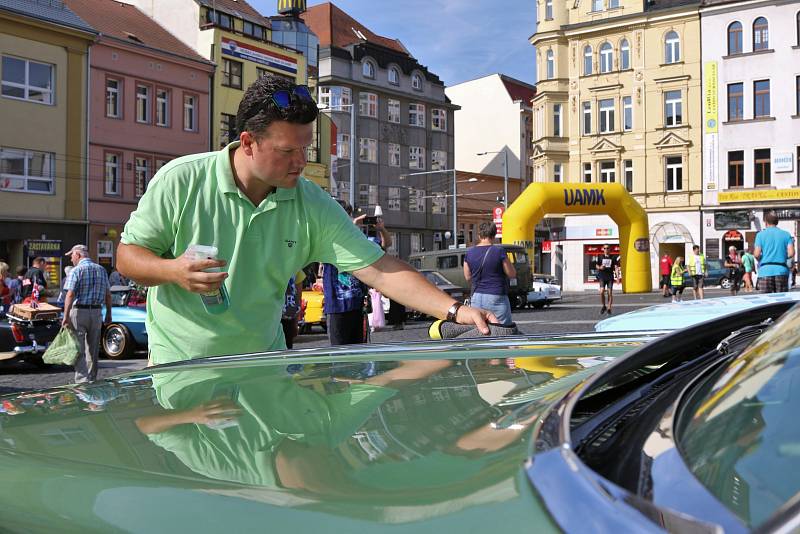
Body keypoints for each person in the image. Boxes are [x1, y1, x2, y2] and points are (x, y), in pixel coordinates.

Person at [116, 74, 495, 365]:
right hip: (182, 370)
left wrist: (456, 311)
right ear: (248, 142)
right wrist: (173, 272)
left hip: (262, 367)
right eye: (287, 151)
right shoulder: (181, 180)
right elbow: (127, 257)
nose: (301, 161)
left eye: (306, 147)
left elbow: (379, 269)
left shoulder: (310, 201)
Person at [61, 244, 112, 383]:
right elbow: (108, 295)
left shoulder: (76, 270)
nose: (71, 259)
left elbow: (70, 294)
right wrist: (108, 313)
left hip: (79, 312)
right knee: (93, 349)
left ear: (77, 255)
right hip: (96, 312)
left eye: (71, 256)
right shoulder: (101, 269)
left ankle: (82, 380)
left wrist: (65, 316)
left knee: (79, 348)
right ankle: (92, 378)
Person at [463, 221, 516, 325]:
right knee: (502, 330)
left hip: (476, 297)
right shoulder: (499, 251)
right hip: (496, 295)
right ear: (494, 235)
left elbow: (468, 277)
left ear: (479, 235)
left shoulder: (469, 253)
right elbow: (511, 273)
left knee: (480, 329)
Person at [753, 211, 794, 294]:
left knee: (766, 302)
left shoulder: (760, 235)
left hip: (765, 271)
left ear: (766, 222)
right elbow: (791, 253)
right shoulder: (786, 234)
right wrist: (782, 256)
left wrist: (762, 259)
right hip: (781, 270)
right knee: (782, 301)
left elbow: (756, 254)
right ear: (777, 222)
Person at [280, 271, 305, 349]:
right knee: (287, 350)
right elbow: (298, 293)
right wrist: (296, 320)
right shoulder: (294, 263)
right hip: (288, 314)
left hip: (271, 314)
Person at [594, 244, 618, 315]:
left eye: (607, 248)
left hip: (610, 276)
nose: (606, 249)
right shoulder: (600, 256)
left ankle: (609, 308)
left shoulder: (613, 257)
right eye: (605, 248)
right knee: (601, 292)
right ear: (603, 249)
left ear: (610, 249)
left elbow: (616, 267)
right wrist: (600, 268)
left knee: (609, 292)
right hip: (602, 276)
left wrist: (618, 277)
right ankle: (604, 306)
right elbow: (596, 265)